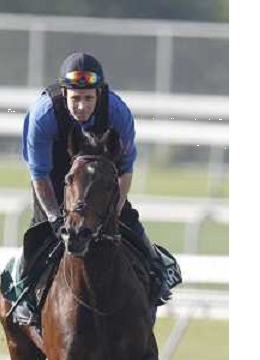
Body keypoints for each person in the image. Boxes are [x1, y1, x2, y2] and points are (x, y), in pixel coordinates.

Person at [13, 52, 178, 325]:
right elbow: (39, 175)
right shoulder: (43, 115)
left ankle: (158, 269)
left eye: (88, 98)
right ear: (64, 93)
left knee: (126, 222)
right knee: (40, 235)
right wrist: (55, 219)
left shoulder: (117, 112)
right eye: (75, 98)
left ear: (99, 94)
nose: (81, 106)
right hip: (54, 177)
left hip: (101, 177)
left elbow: (125, 170)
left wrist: (114, 210)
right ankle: (24, 292)